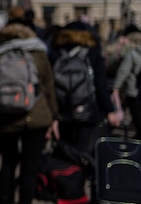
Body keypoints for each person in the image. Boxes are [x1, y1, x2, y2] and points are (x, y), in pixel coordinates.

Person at [0, 20, 60, 204]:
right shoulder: (38, 53)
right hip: (36, 116)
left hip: (5, 117)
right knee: (29, 169)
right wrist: (54, 116)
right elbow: (49, 86)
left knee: (7, 164)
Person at [51, 21, 120, 158]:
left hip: (62, 112)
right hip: (89, 113)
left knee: (65, 154)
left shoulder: (56, 53)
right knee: (84, 155)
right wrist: (110, 110)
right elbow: (101, 85)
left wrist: (52, 116)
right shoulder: (92, 53)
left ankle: (67, 177)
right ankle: (81, 178)